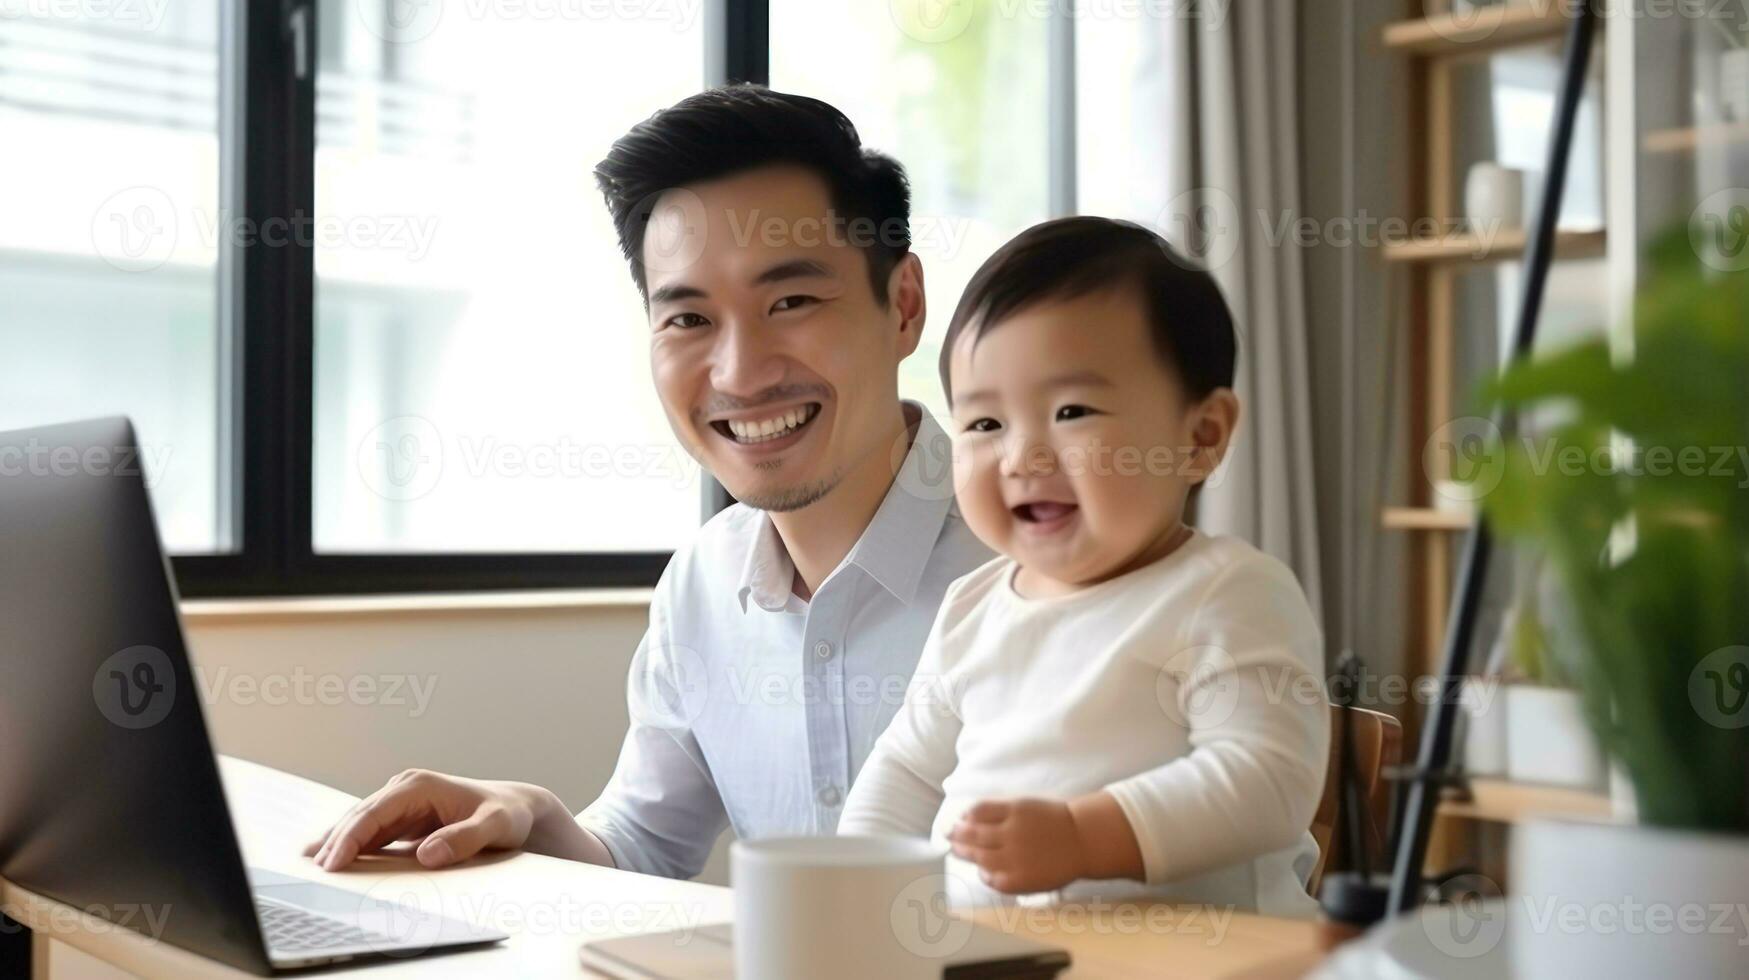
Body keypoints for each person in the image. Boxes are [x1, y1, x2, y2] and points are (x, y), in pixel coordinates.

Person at [306, 86, 991, 876]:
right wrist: (531, 813)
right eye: (689, 319)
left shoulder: (1041, 558)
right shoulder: (702, 585)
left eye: (791, 299)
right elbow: (641, 848)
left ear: (902, 305)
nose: (739, 371)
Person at [838, 217, 1330, 918]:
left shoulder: (1224, 591)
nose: (1021, 457)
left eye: (1071, 411)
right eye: (984, 424)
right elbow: (907, 771)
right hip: (999, 958)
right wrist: (855, 891)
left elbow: (1267, 780)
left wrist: (1081, 837)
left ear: (1200, 437)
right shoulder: (973, 605)